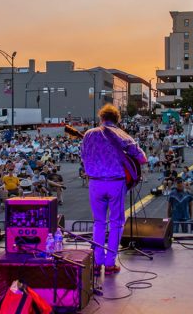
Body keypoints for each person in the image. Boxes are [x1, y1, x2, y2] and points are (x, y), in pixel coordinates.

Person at [81, 104, 146, 277]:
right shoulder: (122, 135)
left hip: (95, 183)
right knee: (116, 222)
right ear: (117, 119)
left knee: (98, 222)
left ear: (101, 118)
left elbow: (83, 157)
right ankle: (110, 263)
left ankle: (96, 262)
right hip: (116, 182)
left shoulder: (89, 134)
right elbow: (142, 159)